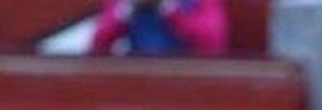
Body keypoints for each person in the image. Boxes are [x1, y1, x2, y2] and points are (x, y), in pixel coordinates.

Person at [88, 0, 229, 57]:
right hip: (140, 76)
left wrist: (170, 10)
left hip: (185, 76)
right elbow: (97, 46)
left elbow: (212, 43)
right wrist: (125, 11)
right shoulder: (124, 4)